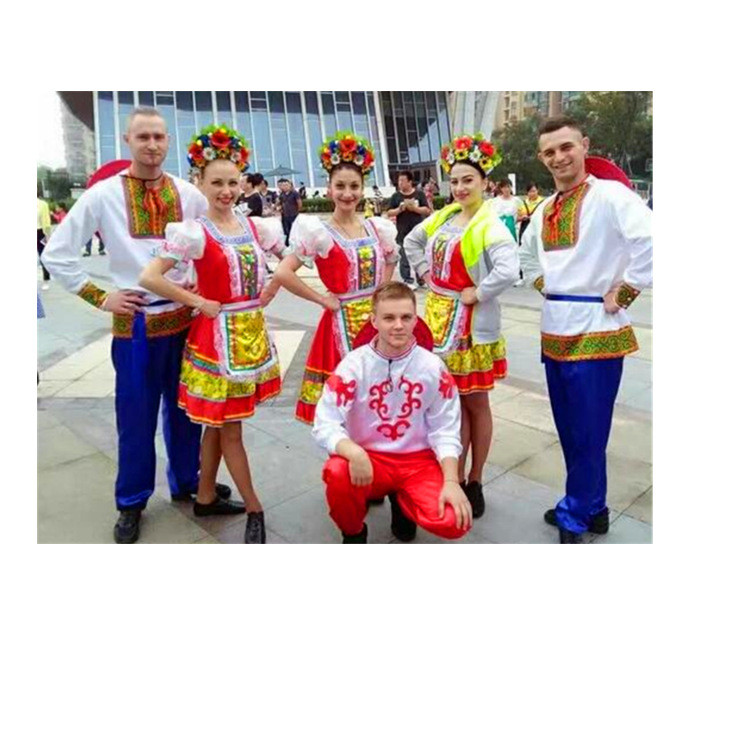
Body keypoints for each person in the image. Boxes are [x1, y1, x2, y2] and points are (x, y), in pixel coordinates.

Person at [42, 106, 232, 544]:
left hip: (185, 320)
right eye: (143, 136)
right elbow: (57, 253)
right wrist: (100, 296)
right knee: (135, 416)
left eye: (159, 137)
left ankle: (188, 481)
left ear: (168, 142)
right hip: (137, 325)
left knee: (187, 410)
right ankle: (131, 500)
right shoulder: (103, 195)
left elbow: (215, 238)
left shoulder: (189, 193)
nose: (151, 145)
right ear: (127, 140)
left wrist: (206, 281)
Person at [140, 124, 284, 544]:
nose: (226, 191)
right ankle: (255, 506)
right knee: (231, 428)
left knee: (217, 426)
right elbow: (150, 277)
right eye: (216, 183)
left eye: (232, 182)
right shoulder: (195, 231)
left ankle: (205, 496)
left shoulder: (254, 228)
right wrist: (198, 301)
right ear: (199, 183)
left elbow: (291, 259)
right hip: (216, 342)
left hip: (249, 337)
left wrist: (270, 290)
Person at [519, 115, 652, 543]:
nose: (559, 157)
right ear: (542, 158)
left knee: (589, 431)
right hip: (555, 327)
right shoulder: (544, 209)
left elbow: (652, 240)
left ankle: (574, 515)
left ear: (585, 146)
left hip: (597, 326)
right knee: (570, 429)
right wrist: (547, 286)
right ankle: (594, 506)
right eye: (550, 152)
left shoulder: (610, 195)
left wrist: (626, 290)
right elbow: (527, 257)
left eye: (566, 147)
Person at [404, 133, 519, 518]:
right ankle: (448, 475)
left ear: (485, 182)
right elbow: (411, 242)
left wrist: (479, 292)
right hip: (438, 319)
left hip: (469, 326)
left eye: (468, 179)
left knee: (475, 403)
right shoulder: (444, 216)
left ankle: (475, 478)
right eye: (454, 181)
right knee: (448, 403)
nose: (460, 188)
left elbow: (509, 269)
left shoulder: (491, 224)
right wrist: (425, 273)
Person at [313, 281, 472, 543]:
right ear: (373, 320)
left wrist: (452, 481)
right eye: (389, 318)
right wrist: (354, 452)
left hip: (417, 462)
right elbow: (325, 423)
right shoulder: (353, 366)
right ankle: (354, 532)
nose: (398, 325)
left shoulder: (433, 367)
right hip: (370, 457)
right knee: (338, 473)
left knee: (454, 520)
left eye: (406, 317)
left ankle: (403, 500)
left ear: (415, 320)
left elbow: (445, 429)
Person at [274, 130, 398, 425]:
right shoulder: (319, 232)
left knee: (380, 405)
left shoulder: (376, 228)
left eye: (354, 186)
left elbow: (392, 258)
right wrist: (322, 299)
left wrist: (382, 290)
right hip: (340, 324)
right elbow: (283, 272)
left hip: (376, 323)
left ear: (362, 189)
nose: (347, 193)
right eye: (340, 186)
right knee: (347, 409)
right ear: (329, 189)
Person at [386, 170, 431, 287]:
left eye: (402, 180)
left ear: (410, 182)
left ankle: (421, 279)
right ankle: (407, 280)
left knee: (420, 255)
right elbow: (389, 212)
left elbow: (427, 210)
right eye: (399, 180)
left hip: (418, 231)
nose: (400, 183)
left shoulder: (419, 194)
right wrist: (400, 209)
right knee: (404, 257)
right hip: (402, 231)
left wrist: (415, 209)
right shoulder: (396, 196)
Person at [278, 178, 302, 245]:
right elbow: (280, 202)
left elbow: (299, 203)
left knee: (293, 230)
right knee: (286, 230)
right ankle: (287, 244)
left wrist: (297, 211)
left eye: (286, 185)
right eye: (283, 185)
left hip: (293, 215)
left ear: (290, 185)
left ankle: (295, 243)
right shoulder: (282, 194)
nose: (285, 187)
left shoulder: (295, 193)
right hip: (285, 215)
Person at [37, 194, 51, 290]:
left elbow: (46, 222)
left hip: (39, 233)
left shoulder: (42, 204)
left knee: (43, 257)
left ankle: (46, 280)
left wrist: (47, 236)